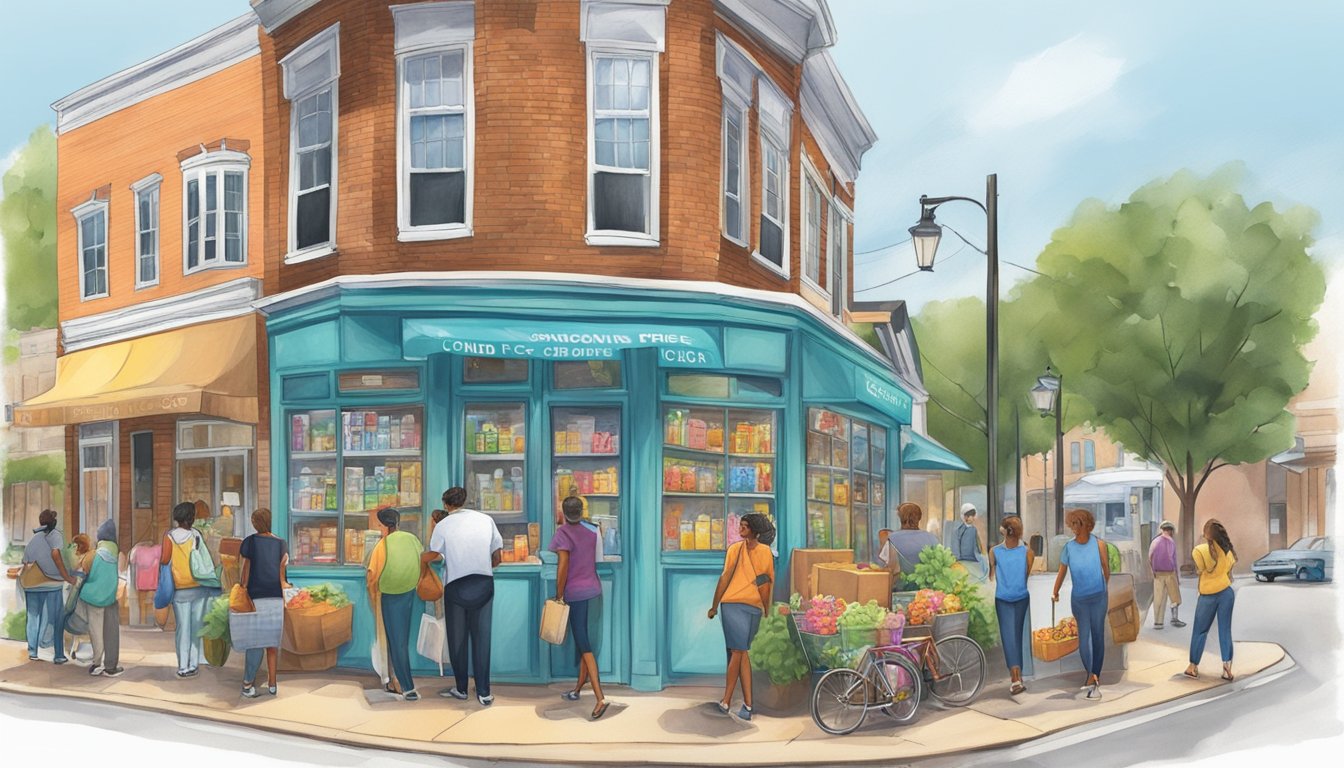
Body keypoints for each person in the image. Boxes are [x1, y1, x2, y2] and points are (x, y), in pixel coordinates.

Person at [425, 486, 503, 706]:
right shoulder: (486, 520)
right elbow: (497, 558)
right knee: (482, 639)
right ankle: (484, 692)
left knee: (458, 640)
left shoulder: (443, 525)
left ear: (446, 505)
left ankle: (461, 688)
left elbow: (435, 554)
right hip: (484, 584)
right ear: (465, 501)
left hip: (457, 586)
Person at [707, 512, 776, 721]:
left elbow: (764, 585)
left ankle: (746, 703)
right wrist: (715, 604)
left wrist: (766, 609)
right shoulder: (735, 550)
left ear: (755, 531)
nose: (740, 530)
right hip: (732, 606)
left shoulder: (764, 553)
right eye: (741, 525)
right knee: (738, 651)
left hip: (752, 607)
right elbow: (725, 578)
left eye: (745, 527)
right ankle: (729, 700)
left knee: (741, 653)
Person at [551, 496, 609, 720]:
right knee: (582, 639)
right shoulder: (593, 531)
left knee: (583, 644)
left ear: (563, 512)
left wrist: (559, 593)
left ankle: (600, 697)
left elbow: (563, 566)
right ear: (581, 512)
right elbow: (598, 559)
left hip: (574, 594)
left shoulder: (562, 533)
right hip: (593, 590)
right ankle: (577, 689)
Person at [1051, 508, 1110, 699]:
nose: (1073, 528)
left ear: (1086, 524)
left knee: (1098, 636)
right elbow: (1062, 572)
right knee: (1084, 638)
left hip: (1099, 597)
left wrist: (1102, 589)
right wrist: (1055, 591)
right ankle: (1090, 675)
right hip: (1079, 600)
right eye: (1072, 524)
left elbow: (1106, 569)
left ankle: (1095, 676)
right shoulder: (1068, 547)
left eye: (1076, 524)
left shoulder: (1099, 544)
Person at [366, 507, 424, 701]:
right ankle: (395, 681)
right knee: (401, 640)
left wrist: (373, 595)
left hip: (389, 595)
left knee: (396, 642)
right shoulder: (412, 539)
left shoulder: (382, 546)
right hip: (409, 593)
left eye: (379, 525)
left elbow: (372, 576)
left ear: (384, 526)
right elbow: (422, 559)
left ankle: (407, 687)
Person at [238, 508, 289, 698]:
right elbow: (282, 573)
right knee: (272, 642)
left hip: (255, 596)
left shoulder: (250, 542)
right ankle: (273, 684)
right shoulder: (280, 544)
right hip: (275, 596)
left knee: (255, 641)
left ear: (254, 522)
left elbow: (246, 570)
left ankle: (247, 683)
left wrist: (242, 588)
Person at [161, 501, 210, 677]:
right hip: (198, 586)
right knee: (196, 628)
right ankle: (194, 663)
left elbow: (164, 560)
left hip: (179, 589)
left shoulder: (169, 537)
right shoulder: (196, 535)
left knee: (182, 628)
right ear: (192, 518)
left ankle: (183, 666)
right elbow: (205, 562)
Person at [1185, 519, 1237, 682]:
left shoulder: (1199, 551)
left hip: (1207, 595)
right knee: (1225, 630)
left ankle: (1193, 666)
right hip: (1226, 593)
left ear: (1205, 534)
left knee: (1200, 631)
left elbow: (1201, 570)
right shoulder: (1228, 551)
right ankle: (1227, 667)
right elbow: (1229, 571)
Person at [21, 509, 76, 664]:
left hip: (31, 585)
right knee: (56, 618)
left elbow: (26, 562)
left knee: (33, 617)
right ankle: (58, 655)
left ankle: (33, 652)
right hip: (52, 584)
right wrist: (67, 577)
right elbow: (56, 555)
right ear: (54, 522)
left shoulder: (34, 539)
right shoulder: (56, 535)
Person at [989, 515, 1034, 694]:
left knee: (1008, 637)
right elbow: (1026, 574)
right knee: (1018, 635)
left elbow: (991, 576)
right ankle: (1018, 675)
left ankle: (1015, 677)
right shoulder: (1027, 551)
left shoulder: (994, 551)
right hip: (1021, 597)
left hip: (1003, 598)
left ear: (1002, 531)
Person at [80, 519, 123, 677]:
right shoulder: (116, 552)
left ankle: (97, 664)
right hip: (110, 597)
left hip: (93, 598)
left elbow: (83, 571)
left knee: (96, 631)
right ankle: (111, 666)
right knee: (111, 632)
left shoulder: (94, 554)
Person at [1149, 520, 1186, 629]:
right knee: (1175, 597)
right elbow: (1174, 560)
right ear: (1170, 531)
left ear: (1162, 530)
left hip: (1158, 574)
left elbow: (1150, 557)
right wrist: (1177, 577)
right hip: (1170, 573)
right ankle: (1174, 619)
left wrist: (1153, 571)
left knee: (1159, 598)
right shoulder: (1171, 542)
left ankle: (1158, 623)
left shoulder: (1155, 541)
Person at [954, 503, 984, 577]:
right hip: (964, 559)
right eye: (971, 516)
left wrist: (980, 553)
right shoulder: (960, 530)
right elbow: (956, 544)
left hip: (975, 557)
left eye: (974, 516)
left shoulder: (974, 529)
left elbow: (977, 543)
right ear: (965, 516)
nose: (973, 518)